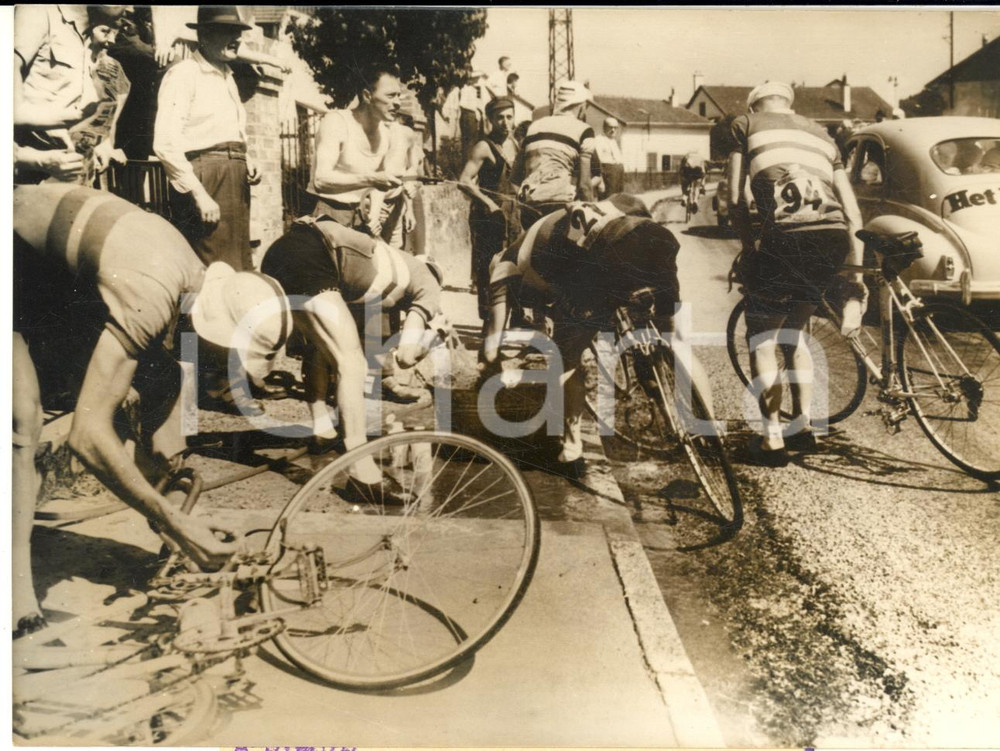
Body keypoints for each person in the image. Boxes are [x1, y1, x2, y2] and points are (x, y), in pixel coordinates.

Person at [12, 183, 291, 638]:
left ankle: (173, 536)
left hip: (42, 270)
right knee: (22, 420)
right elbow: (88, 435)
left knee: (160, 381)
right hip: (18, 253)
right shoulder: (155, 291)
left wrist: (175, 507)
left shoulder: (187, 275)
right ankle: (17, 593)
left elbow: (160, 392)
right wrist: (175, 520)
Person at [480, 193, 715, 480]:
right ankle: (710, 431)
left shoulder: (503, 268)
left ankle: (571, 448)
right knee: (674, 339)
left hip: (607, 260)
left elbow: (492, 350)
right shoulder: (570, 217)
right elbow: (634, 208)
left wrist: (490, 361)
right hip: (656, 239)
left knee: (565, 359)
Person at [260, 216, 447, 504]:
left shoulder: (387, 267)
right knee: (351, 363)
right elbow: (406, 357)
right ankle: (362, 474)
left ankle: (322, 430)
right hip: (314, 253)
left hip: (281, 252)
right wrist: (436, 335)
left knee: (324, 350)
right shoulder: (427, 282)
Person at [727, 81, 866, 466]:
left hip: (785, 238)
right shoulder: (822, 133)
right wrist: (855, 274)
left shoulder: (746, 125)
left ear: (754, 105)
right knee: (797, 331)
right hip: (833, 237)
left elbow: (736, 198)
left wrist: (747, 246)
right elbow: (853, 212)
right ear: (790, 105)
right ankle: (803, 427)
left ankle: (772, 439)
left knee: (764, 335)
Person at [153, 6, 260, 272]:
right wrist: (199, 194)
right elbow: (165, 143)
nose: (236, 38)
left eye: (238, 32)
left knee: (237, 266)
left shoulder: (228, 77)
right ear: (204, 36)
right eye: (227, 31)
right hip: (205, 179)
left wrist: (248, 157)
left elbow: (226, 129)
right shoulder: (184, 74)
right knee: (211, 270)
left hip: (235, 181)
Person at [13, 4, 96, 185]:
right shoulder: (37, 11)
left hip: (59, 164)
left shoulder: (87, 36)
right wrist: (38, 159)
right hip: (24, 166)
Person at [458, 97, 520, 321]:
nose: (505, 122)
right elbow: (464, 181)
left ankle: (512, 316)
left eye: (509, 117)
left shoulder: (516, 144)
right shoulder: (484, 146)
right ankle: (489, 319)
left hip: (514, 214)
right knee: (489, 266)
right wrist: (490, 204)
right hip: (489, 215)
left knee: (514, 263)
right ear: (491, 120)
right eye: (500, 118)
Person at [512, 80, 597, 230]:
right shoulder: (584, 130)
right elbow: (584, 186)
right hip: (560, 208)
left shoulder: (534, 126)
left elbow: (514, 177)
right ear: (582, 106)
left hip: (529, 208)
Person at [593, 117, 625, 198]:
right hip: (607, 176)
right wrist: (601, 182)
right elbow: (597, 163)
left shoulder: (614, 141)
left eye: (615, 128)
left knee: (618, 200)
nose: (613, 130)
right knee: (607, 201)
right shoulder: (599, 140)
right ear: (604, 127)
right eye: (610, 127)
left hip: (617, 176)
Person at [458, 71, 488, 159]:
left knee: (476, 141)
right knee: (468, 143)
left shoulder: (475, 91)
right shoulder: (466, 89)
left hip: (475, 116)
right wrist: (476, 109)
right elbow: (463, 104)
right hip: (469, 115)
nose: (477, 80)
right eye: (476, 78)